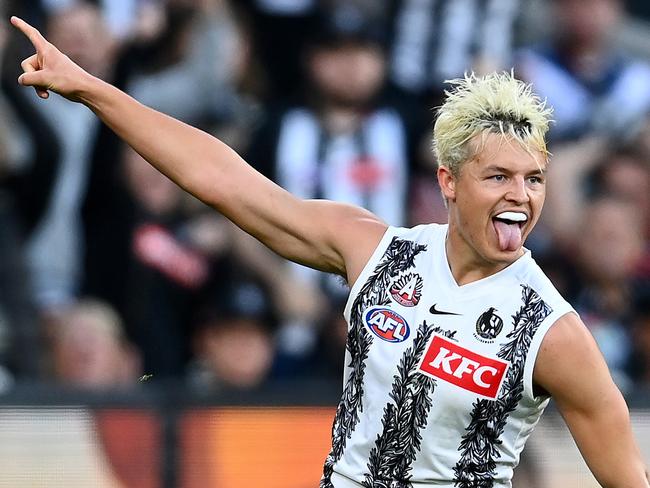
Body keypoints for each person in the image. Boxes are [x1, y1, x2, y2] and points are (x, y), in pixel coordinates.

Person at [11, 16, 649, 488]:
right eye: (499, 177)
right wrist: (94, 90)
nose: (520, 196)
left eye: (533, 179)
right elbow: (222, 180)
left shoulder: (552, 331)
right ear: (448, 182)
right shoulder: (376, 251)